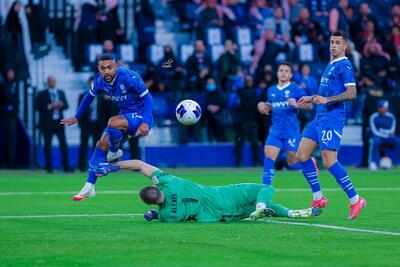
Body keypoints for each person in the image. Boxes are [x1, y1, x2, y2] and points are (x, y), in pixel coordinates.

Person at [93, 159, 322, 222]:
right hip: (222, 195)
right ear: (155, 186)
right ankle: (261, 207)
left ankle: (293, 213)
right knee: (264, 189)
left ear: (151, 203)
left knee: (256, 205)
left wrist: (154, 216)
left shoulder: (166, 216)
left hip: (219, 216)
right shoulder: (168, 181)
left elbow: (183, 218)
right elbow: (141, 164)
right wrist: (112, 167)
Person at [61, 53, 153, 201]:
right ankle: (89, 186)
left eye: (110, 67)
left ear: (115, 66)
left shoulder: (129, 77)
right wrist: (76, 116)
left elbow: (148, 98)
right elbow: (89, 96)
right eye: (102, 68)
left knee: (112, 122)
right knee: (101, 144)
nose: (106, 71)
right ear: (98, 68)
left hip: (140, 115)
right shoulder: (99, 80)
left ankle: (115, 152)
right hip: (124, 116)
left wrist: (146, 122)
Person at [297, 31, 366, 220]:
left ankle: (355, 199)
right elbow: (325, 91)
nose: (333, 45)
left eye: (337, 43)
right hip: (318, 117)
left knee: (329, 161)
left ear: (344, 46)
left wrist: (327, 99)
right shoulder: (331, 63)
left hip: (332, 118)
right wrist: (311, 98)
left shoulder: (344, 65)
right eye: (331, 42)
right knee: (302, 155)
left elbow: (352, 93)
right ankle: (318, 198)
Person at [257, 62, 313, 185]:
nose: (283, 73)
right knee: (268, 158)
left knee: (292, 161)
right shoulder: (271, 90)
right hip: (275, 131)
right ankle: (265, 192)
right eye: (281, 70)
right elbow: (272, 105)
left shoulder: (295, 89)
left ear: (291, 75)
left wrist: (298, 104)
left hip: (291, 131)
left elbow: (310, 106)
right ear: (277, 73)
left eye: (286, 71)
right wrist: (263, 105)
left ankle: (310, 163)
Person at [35, 76, 70, 173]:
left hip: (59, 122)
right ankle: (49, 167)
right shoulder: (42, 94)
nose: (52, 83)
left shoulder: (60, 92)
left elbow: (66, 105)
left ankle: (66, 167)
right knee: (47, 145)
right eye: (50, 81)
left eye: (53, 81)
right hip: (47, 124)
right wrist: (50, 106)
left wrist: (61, 105)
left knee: (63, 145)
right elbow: (37, 107)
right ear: (48, 82)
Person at [368, 100, 400, 170]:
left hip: (388, 137)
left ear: (387, 108)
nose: (380, 109)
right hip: (378, 137)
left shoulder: (391, 117)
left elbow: (392, 130)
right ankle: (372, 163)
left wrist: (386, 134)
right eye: (379, 107)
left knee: (398, 140)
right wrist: (386, 134)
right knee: (375, 141)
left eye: (382, 107)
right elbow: (374, 131)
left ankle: (398, 162)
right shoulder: (374, 117)